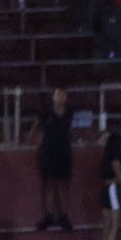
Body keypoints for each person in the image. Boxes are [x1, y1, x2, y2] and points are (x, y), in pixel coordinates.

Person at [34, 88, 73, 232]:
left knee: (63, 185)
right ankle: (49, 215)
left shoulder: (69, 112)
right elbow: (39, 131)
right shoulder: (45, 113)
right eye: (58, 94)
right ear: (53, 97)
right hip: (48, 152)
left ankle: (64, 216)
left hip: (63, 152)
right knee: (49, 184)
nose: (60, 97)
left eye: (63, 94)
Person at [100, 130, 121, 240]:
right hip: (112, 190)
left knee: (106, 223)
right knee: (114, 222)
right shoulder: (115, 159)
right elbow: (120, 179)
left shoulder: (106, 157)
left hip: (106, 189)